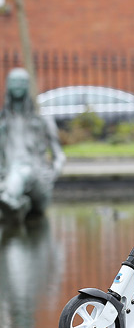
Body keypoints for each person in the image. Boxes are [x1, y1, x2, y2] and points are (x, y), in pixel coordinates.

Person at [0, 67, 65, 223]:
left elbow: (59, 156)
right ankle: (12, 200)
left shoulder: (42, 121)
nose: (18, 86)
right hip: (8, 177)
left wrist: (54, 172)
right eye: (14, 82)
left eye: (22, 82)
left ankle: (7, 198)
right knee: (16, 172)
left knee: (23, 170)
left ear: (28, 86)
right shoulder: (2, 123)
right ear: (8, 85)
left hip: (37, 181)